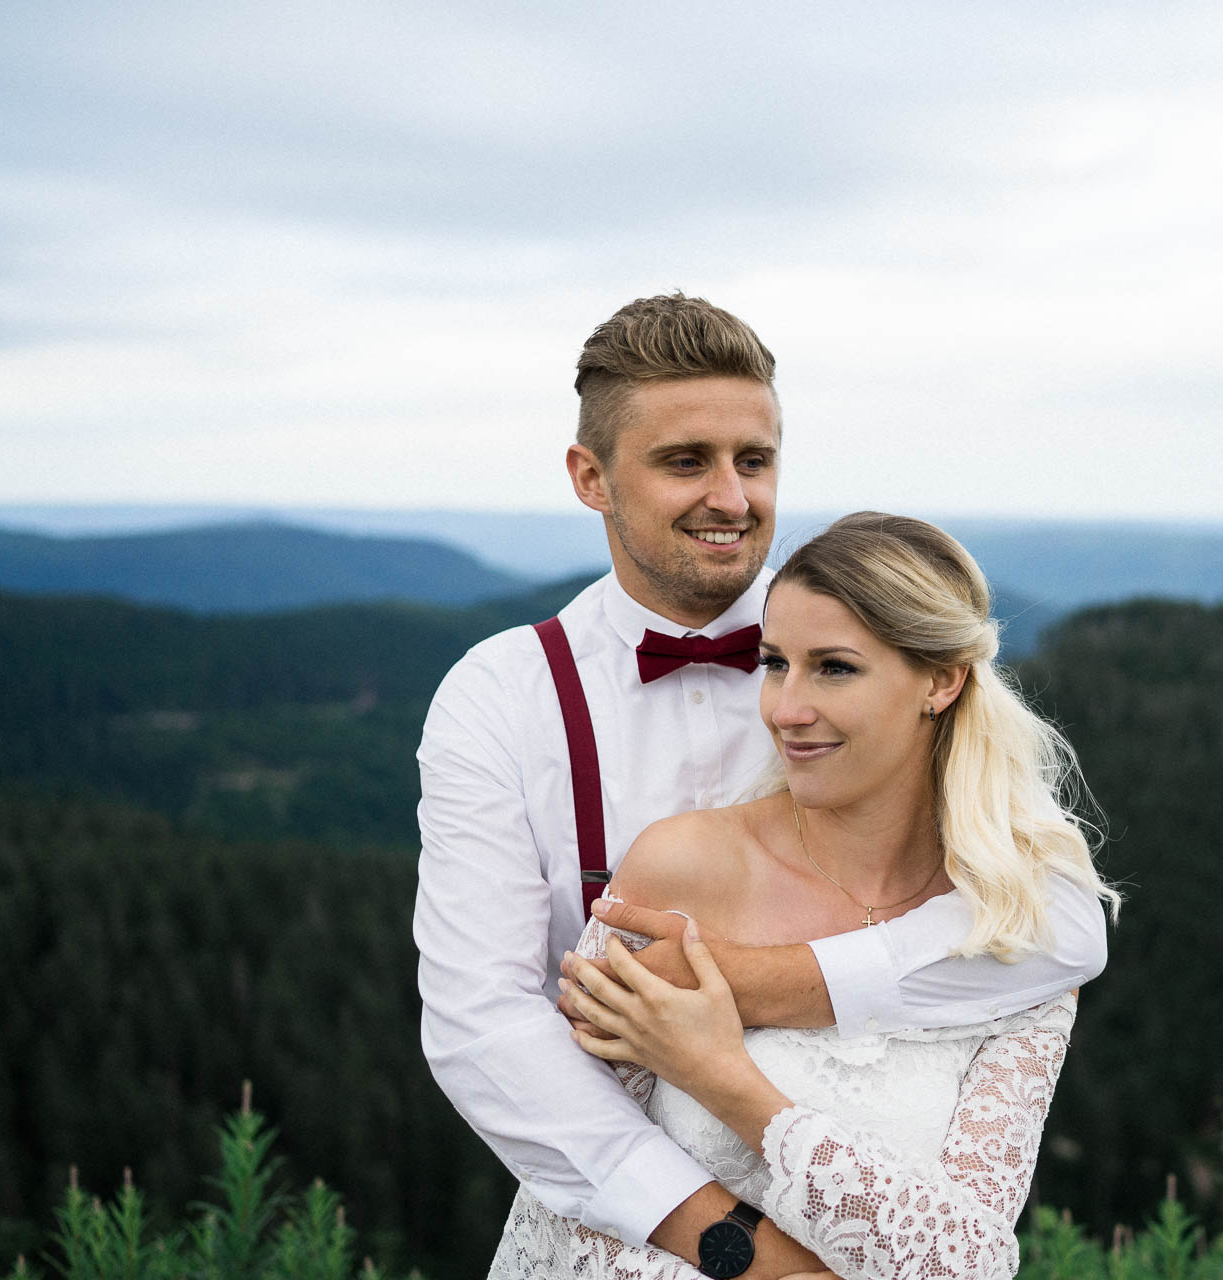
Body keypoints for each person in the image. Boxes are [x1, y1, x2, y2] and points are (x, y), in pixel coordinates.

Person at [414, 295, 1110, 1280]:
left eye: (756, 459)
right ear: (591, 476)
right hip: (620, 1225)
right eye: (685, 460)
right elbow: (484, 1024)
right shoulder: (503, 696)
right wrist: (748, 1255)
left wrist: (744, 982)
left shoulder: (862, 629)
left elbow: (1068, 928)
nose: (733, 498)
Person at [496, 511, 1119, 1280]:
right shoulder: (679, 872)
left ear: (942, 679)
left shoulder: (1016, 939)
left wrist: (725, 1081)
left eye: (834, 668)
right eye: (774, 662)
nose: (785, 708)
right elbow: (569, 1194)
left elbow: (966, 1264)